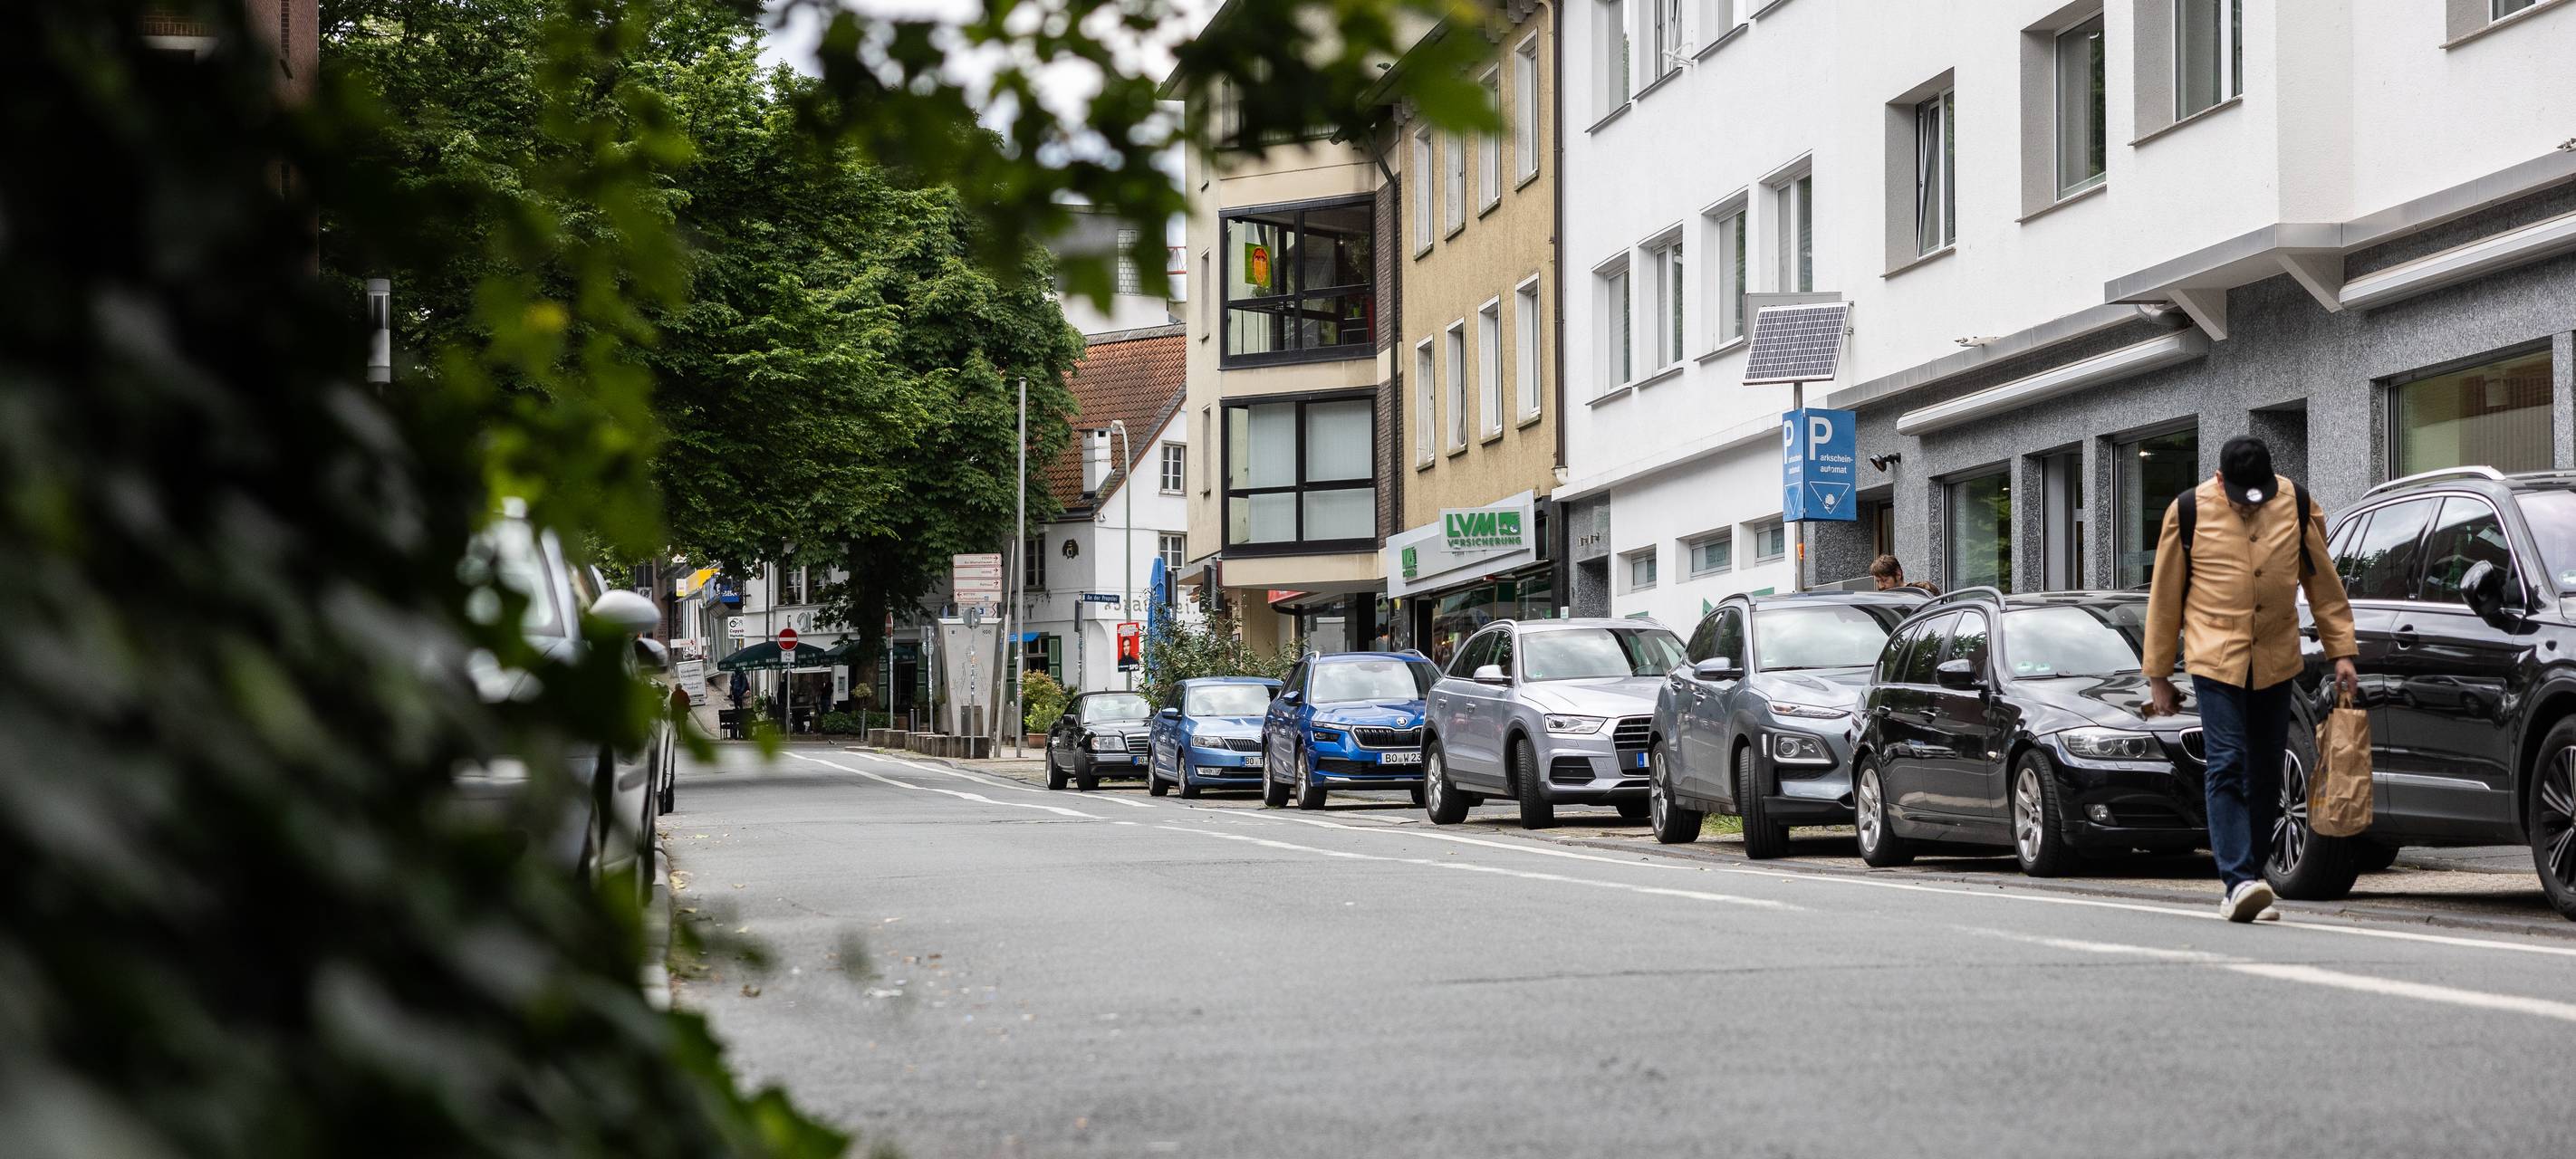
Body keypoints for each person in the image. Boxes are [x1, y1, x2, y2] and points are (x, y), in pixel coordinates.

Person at [2142, 436, 2360, 923]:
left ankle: (2251, 877)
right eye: (2241, 496)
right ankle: (2238, 880)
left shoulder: (2297, 504)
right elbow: (2165, 596)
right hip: (2214, 657)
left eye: (2258, 494)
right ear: (2221, 480)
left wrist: (2341, 650)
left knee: (2266, 769)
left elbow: (2322, 582)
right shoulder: (2189, 511)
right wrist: (2158, 674)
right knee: (2227, 761)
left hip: (2275, 657)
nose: (2251, 503)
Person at [1869, 554, 1942, 596]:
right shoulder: (1881, 601)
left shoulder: (1923, 590)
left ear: (1898, 574)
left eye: (1884, 580)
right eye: (1878, 581)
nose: (1881, 586)